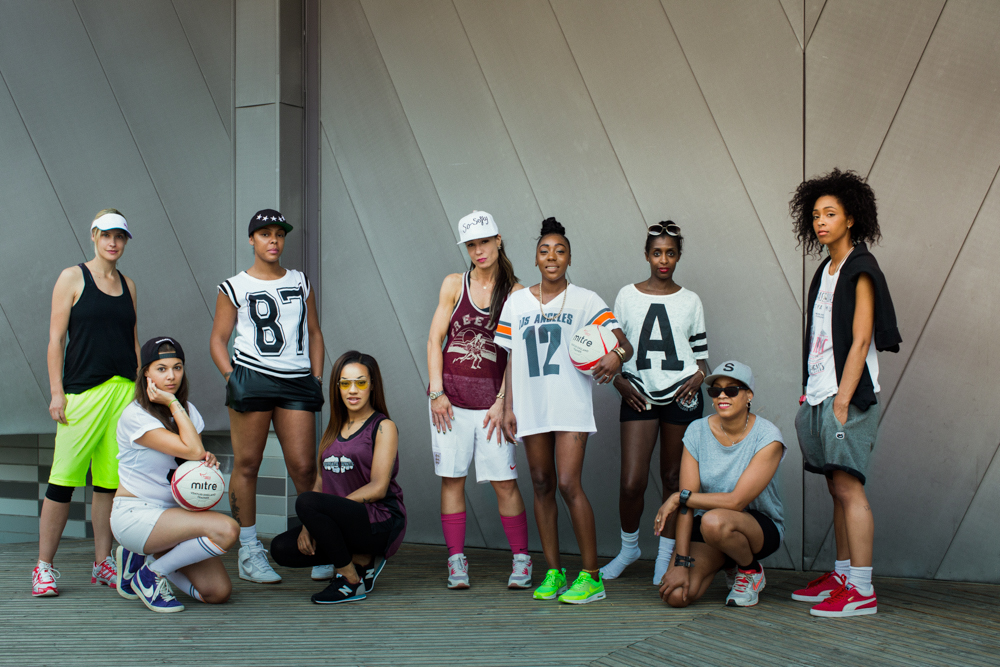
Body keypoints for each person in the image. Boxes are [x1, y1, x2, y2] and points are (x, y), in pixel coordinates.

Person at [495, 217, 632, 605]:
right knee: (541, 484)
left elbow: (624, 344)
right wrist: (506, 405)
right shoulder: (517, 301)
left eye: (560, 250)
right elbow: (508, 358)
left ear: (569, 257)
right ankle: (554, 571)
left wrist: (615, 358)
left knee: (570, 484)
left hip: (569, 405)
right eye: (544, 250)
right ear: (535, 259)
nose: (552, 256)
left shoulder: (586, 299)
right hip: (531, 405)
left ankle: (591, 576)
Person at [789, 169, 900, 618]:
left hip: (847, 397)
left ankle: (862, 589)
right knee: (836, 487)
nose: (820, 221)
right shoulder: (827, 268)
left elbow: (859, 340)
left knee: (850, 489)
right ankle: (841, 574)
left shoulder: (860, 268)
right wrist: (811, 393)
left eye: (830, 213)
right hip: (819, 393)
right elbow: (820, 335)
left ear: (851, 218)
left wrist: (840, 399)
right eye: (815, 214)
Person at [210, 209, 325, 584]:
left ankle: (322, 543)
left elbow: (314, 332)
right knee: (247, 464)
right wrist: (233, 378)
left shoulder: (300, 280)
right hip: (252, 378)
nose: (273, 240)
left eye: (279, 234)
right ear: (251, 240)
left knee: (305, 468)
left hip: (295, 381)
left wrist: (317, 377)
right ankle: (249, 551)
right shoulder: (234, 285)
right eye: (264, 234)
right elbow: (217, 340)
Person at [33, 209, 140, 597]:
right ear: (94, 235)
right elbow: (54, 340)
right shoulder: (72, 277)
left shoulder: (128, 283)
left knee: (109, 485)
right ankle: (44, 568)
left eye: (121, 237)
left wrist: (140, 392)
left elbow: (132, 340)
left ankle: (102, 563)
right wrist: (56, 391)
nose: (114, 242)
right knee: (63, 481)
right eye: (107, 235)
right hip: (82, 393)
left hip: (123, 393)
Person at [600, 221, 710, 585]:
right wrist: (618, 381)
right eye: (657, 252)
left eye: (671, 253)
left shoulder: (690, 300)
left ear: (679, 256)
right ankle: (629, 548)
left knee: (673, 478)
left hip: (682, 392)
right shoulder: (627, 295)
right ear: (646, 254)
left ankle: (664, 556)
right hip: (638, 392)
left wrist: (700, 376)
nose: (664, 260)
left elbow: (701, 358)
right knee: (632, 481)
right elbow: (613, 349)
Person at [426, 210, 530, 590]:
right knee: (452, 480)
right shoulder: (455, 283)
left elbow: (516, 353)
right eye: (471, 244)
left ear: (498, 240)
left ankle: (521, 559)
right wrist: (437, 392)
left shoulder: (517, 293)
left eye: (484, 241)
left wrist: (503, 401)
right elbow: (435, 339)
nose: (479, 250)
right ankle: (456, 561)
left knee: (504, 482)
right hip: (450, 403)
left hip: (492, 406)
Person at [111, 337, 239, 613]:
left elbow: (192, 457)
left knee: (217, 593)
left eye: (177, 367)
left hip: (175, 516)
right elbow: (192, 449)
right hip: (136, 515)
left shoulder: (188, 411)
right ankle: (149, 576)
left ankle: (143, 565)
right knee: (227, 530)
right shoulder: (136, 416)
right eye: (161, 368)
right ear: (145, 372)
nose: (171, 376)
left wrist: (205, 463)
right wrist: (172, 403)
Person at [270, 351, 407, 604]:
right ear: (337, 387)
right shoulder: (332, 429)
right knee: (281, 549)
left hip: (379, 520)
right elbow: (321, 484)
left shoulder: (383, 426)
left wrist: (326, 511)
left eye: (360, 382)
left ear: (372, 385)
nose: (352, 390)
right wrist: (309, 525)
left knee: (306, 501)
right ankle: (361, 563)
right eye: (345, 383)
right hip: (341, 521)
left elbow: (378, 488)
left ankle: (350, 580)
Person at [655, 361, 785, 608]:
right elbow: (687, 504)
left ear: (748, 395)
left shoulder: (768, 437)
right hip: (708, 528)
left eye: (732, 389)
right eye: (715, 390)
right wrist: (682, 562)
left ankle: (749, 570)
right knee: (676, 595)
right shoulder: (697, 431)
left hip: (755, 526)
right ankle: (728, 561)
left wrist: (677, 497)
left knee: (714, 521)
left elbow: (737, 501)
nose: (722, 395)